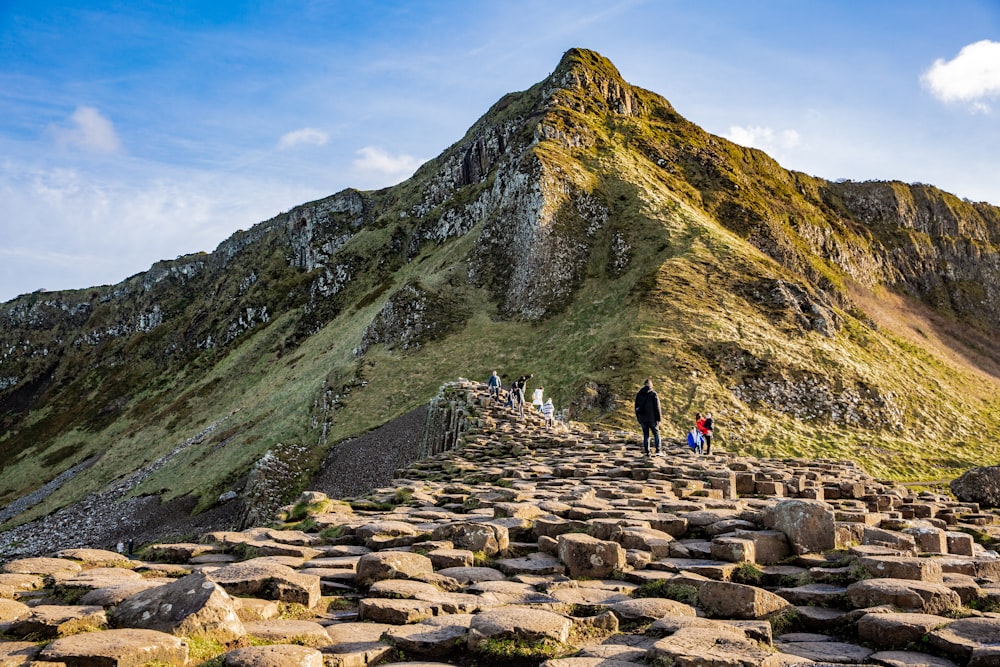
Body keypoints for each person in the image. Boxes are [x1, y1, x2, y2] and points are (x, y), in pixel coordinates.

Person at [634, 378, 662, 456]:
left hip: (643, 419)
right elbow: (657, 407)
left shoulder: (639, 394)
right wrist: (658, 419)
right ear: (651, 385)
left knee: (646, 435)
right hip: (652, 418)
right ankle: (658, 451)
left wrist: (639, 418)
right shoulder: (653, 394)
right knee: (656, 434)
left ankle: (647, 452)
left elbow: (636, 407)